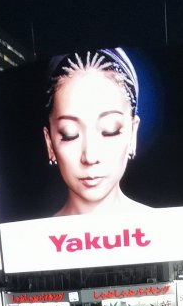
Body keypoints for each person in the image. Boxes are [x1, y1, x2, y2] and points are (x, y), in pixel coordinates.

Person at [41, 49, 148, 221]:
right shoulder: (31, 241)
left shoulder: (165, 231)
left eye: (109, 130)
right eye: (70, 134)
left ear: (132, 133)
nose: (90, 157)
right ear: (50, 143)